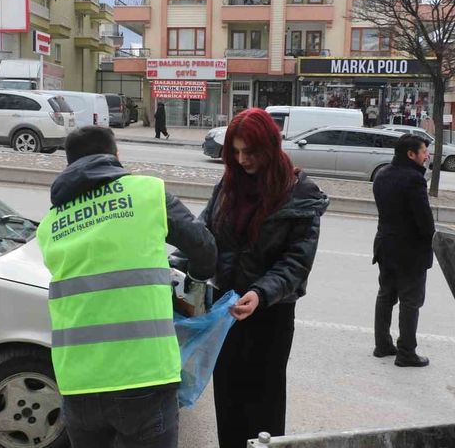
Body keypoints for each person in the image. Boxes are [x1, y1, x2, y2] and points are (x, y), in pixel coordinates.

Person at [36, 126, 216, 448]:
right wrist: (194, 283)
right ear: (115, 155)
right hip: (143, 375)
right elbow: (204, 248)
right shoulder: (147, 193)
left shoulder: (50, 226)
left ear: (69, 164)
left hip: (78, 382)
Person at [179, 108, 328, 448]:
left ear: (270, 147)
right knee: (228, 398)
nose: (242, 160)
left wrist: (261, 293)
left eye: (250, 152)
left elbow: (296, 262)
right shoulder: (228, 186)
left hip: (270, 314)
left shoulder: (300, 193)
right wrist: (174, 265)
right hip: (225, 310)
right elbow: (203, 235)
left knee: (264, 404)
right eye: (235, 152)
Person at [372, 134, 435, 368]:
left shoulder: (382, 174)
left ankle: (382, 345)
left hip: (385, 245)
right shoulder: (414, 179)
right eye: (423, 152)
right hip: (410, 251)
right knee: (410, 301)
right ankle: (406, 352)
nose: (427, 156)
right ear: (411, 154)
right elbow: (424, 220)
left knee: (386, 295)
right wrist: (432, 240)